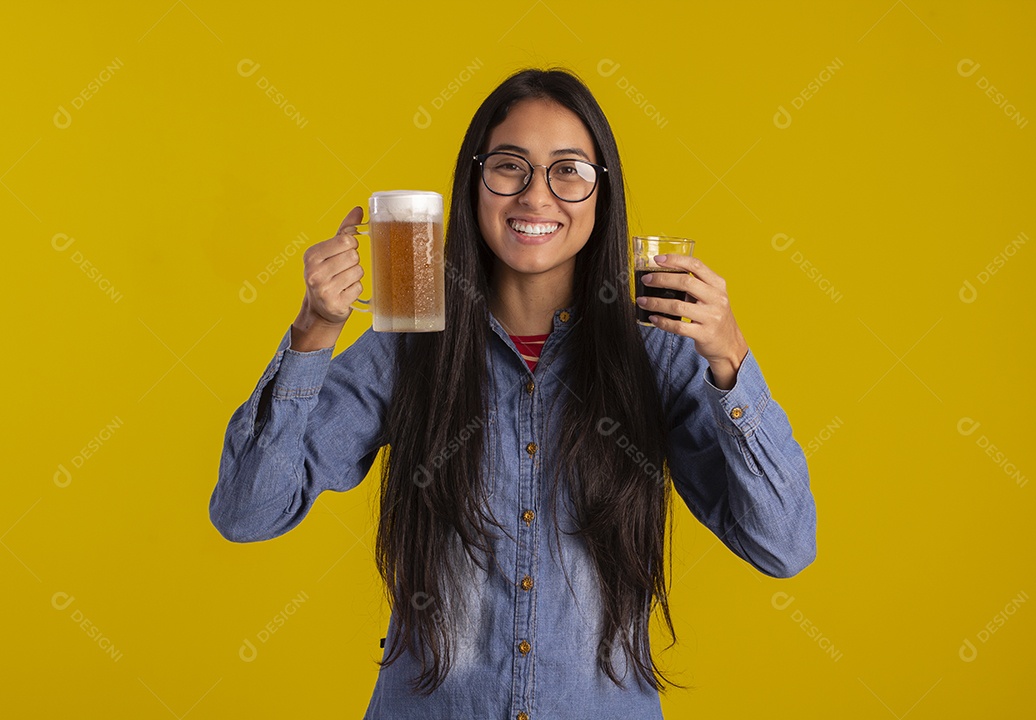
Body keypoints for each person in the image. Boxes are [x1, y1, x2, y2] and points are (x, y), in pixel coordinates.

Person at [210, 68, 816, 720]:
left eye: (568, 171)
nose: (536, 196)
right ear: (474, 184)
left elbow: (782, 546)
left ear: (600, 194)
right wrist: (313, 333)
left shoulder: (656, 348)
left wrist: (730, 358)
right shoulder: (410, 339)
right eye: (509, 167)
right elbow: (248, 513)